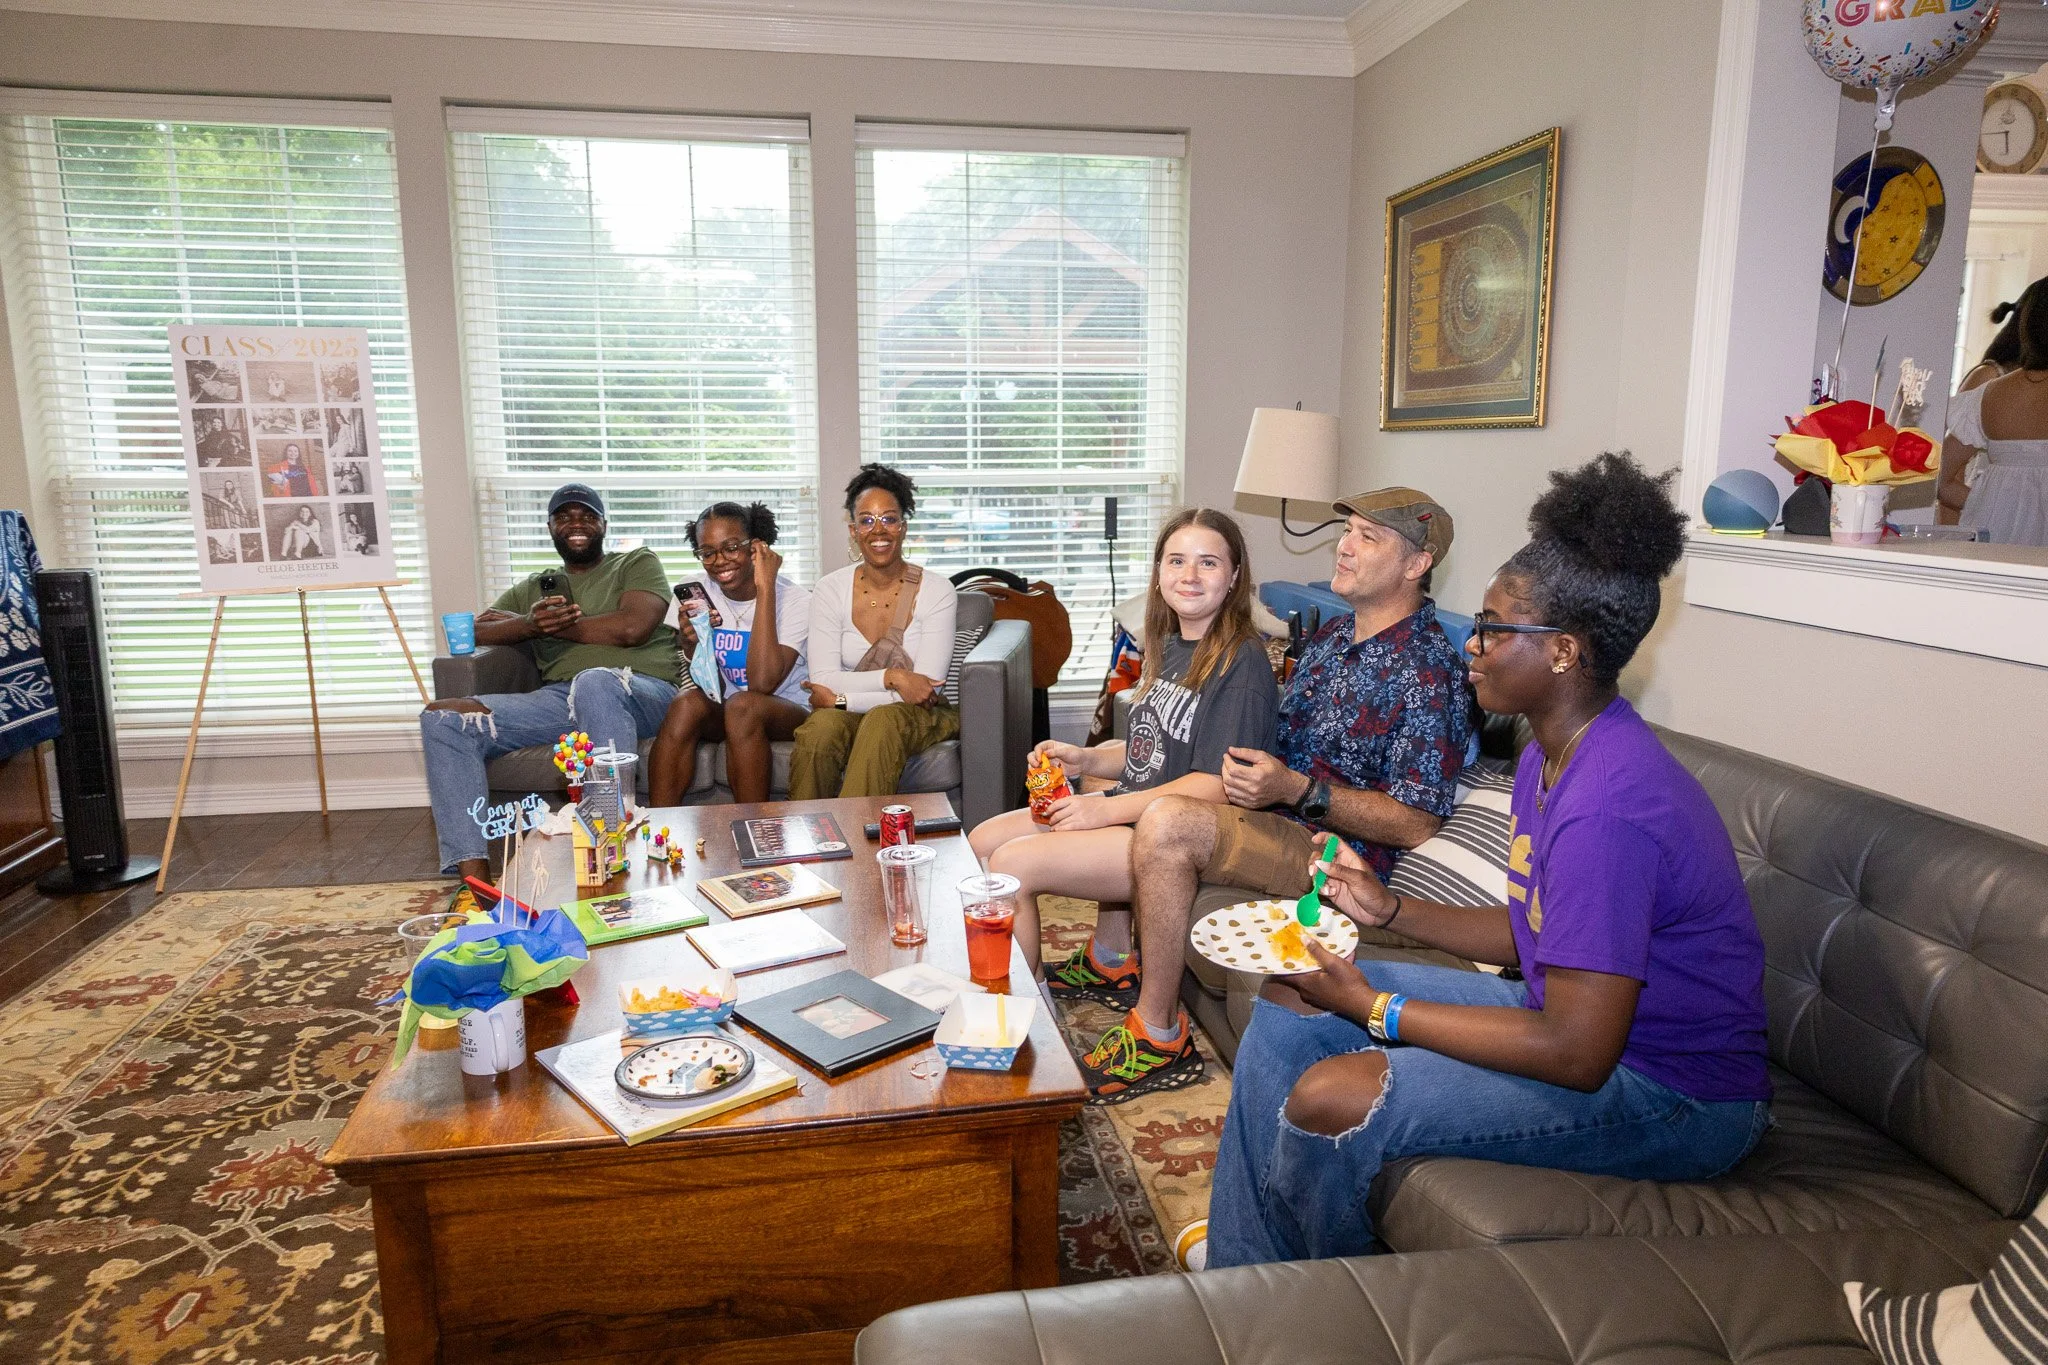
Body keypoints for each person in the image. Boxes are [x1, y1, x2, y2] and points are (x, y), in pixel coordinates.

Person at [1185, 452, 1772, 1272]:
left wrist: (1380, 1006)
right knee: (1291, 991)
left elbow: (1576, 1048)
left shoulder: (1611, 802)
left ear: (1565, 651)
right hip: (1573, 1020)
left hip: (1676, 1094)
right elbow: (1534, 930)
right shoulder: (1550, 751)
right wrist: (1389, 912)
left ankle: (1322, 1307)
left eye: (1496, 629)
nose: (1474, 643)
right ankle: (1245, 1276)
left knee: (1330, 1098)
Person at [1073, 487, 1472, 1102]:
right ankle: (1110, 954)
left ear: (1416, 564)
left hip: (1330, 859)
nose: (1345, 546)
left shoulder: (1429, 671)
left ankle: (1157, 1032)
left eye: (1368, 537)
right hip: (1271, 816)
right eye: (1348, 531)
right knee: (1121, 778)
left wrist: (1298, 789)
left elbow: (1416, 822)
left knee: (1167, 821)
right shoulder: (1334, 639)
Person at [967, 508, 1277, 973]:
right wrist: (1085, 757)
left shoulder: (1241, 662)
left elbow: (1219, 785)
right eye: (1176, 561)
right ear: (1158, 573)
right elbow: (1148, 751)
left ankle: (1021, 1020)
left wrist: (1103, 810)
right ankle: (1095, 965)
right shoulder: (1169, 644)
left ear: (1234, 576)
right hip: (1132, 809)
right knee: (981, 841)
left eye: (1208, 563)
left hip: (1173, 837)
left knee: (1013, 865)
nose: (1189, 575)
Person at [418, 483, 679, 880]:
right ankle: (475, 883)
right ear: (550, 527)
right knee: (443, 718)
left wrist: (552, 629)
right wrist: (527, 623)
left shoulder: (635, 563)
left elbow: (632, 627)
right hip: (563, 699)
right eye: (565, 517)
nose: (577, 525)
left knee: (595, 682)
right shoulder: (535, 587)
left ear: (604, 525)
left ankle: (607, 848)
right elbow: (473, 630)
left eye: (587, 516)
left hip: (641, 690)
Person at [788, 465, 959, 800]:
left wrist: (840, 699)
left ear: (903, 527)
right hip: (866, 709)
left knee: (882, 722)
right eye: (866, 520)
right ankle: (806, 842)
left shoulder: (937, 591)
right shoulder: (829, 590)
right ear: (853, 530)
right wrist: (893, 677)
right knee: (821, 727)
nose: (878, 529)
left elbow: (922, 690)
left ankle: (859, 845)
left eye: (889, 519)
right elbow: (823, 677)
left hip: (923, 715)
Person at [647, 501, 812, 806]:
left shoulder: (796, 601)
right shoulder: (693, 589)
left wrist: (766, 588)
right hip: (727, 704)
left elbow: (762, 684)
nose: (720, 561)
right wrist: (691, 644)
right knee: (685, 704)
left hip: (788, 710)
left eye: (732, 547)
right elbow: (709, 685)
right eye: (707, 552)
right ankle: (657, 834)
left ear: (757, 546)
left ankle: (753, 832)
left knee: (743, 706)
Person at [1941, 278, 2045, 530]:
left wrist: (1995, 505)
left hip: (1996, 541)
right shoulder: (1988, 380)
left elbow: (1940, 478)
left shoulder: (1990, 394)